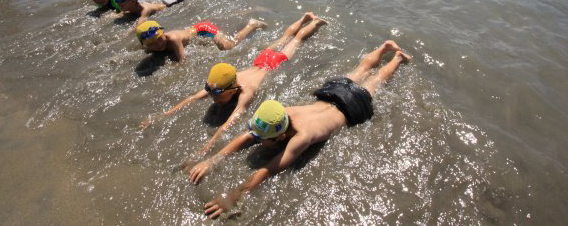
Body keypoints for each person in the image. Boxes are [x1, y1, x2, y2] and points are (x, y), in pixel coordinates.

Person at [190, 40, 411, 219]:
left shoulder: (302, 137)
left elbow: (268, 170)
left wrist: (235, 194)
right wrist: (212, 160)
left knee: (375, 79)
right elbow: (246, 136)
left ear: (282, 136)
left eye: (261, 138)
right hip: (332, 93)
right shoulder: (281, 113)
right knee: (362, 70)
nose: (255, 139)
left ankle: (397, 57)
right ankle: (385, 48)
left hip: (350, 105)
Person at [143, 13, 326, 155]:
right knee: (285, 36)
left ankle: (314, 22)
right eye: (212, 93)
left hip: (275, 62)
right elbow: (193, 97)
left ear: (231, 90)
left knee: (296, 39)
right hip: (261, 59)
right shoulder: (224, 81)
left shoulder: (246, 92)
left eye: (217, 95)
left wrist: (208, 146)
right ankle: (305, 17)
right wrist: (163, 115)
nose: (213, 98)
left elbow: (228, 123)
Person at [135, 17, 267, 63]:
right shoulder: (147, 44)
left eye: (159, 39)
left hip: (203, 29)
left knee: (228, 46)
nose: (158, 45)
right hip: (191, 32)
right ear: (144, 44)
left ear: (163, 33)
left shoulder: (173, 39)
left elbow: (183, 59)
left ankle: (252, 25)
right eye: (151, 44)